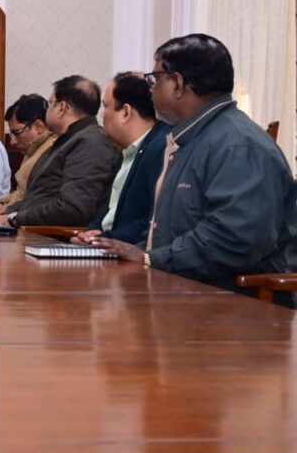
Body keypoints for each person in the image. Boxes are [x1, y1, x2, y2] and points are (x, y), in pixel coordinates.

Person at [94, 34, 297, 302]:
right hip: (182, 292)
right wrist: (132, 251)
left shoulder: (238, 146)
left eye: (154, 80)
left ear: (178, 84)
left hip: (232, 308)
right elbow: (171, 230)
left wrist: (150, 258)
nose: (150, 89)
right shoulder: (191, 140)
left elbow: (232, 240)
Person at [0, 75, 119, 227]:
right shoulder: (66, 140)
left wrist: (14, 218)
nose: (47, 110)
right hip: (33, 229)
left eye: (50, 103)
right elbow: (37, 198)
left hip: (52, 236)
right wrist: (7, 213)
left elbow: (73, 209)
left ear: (61, 108)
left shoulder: (91, 143)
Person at [71, 72, 169, 245]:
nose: (102, 114)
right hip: (108, 248)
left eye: (106, 106)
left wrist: (103, 239)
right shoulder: (126, 150)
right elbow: (109, 212)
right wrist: (92, 231)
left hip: (132, 255)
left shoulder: (161, 147)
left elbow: (154, 222)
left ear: (125, 112)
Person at [0, 94, 56, 207]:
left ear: (38, 126)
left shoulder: (51, 151)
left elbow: (34, 202)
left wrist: (4, 210)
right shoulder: (34, 148)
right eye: (11, 135)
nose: (12, 142)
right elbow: (21, 193)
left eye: (17, 133)